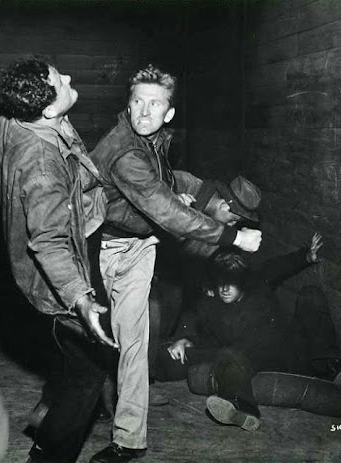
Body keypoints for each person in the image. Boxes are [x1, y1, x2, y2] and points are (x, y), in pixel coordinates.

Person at [87, 64, 262, 463]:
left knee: (134, 343)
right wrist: (234, 236)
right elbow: (162, 208)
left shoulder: (153, 140)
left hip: (138, 247)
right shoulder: (123, 150)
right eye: (138, 102)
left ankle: (128, 441)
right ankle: (60, 412)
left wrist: (177, 193)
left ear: (169, 113)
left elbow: (164, 187)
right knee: (90, 343)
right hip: (101, 249)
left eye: (155, 104)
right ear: (128, 104)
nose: (144, 111)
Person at [0, 57, 118, 463]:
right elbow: (49, 243)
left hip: (69, 243)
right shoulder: (41, 166)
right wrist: (80, 299)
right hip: (55, 276)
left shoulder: (11, 120)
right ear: (49, 109)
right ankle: (47, 455)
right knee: (90, 369)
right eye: (60, 79)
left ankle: (46, 409)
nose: (69, 76)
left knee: (74, 358)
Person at [161, 233, 341, 430]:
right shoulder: (216, 306)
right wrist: (187, 340)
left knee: (311, 296)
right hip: (252, 359)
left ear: (242, 281)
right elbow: (210, 336)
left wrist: (306, 256)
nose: (224, 289)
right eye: (220, 282)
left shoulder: (257, 284)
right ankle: (241, 410)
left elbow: (278, 266)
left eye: (231, 282)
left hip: (284, 350)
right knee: (228, 357)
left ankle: (330, 371)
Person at [148, 175, 262, 387]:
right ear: (224, 206)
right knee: (149, 319)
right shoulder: (182, 183)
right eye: (234, 220)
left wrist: (205, 281)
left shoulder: (218, 230)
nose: (233, 225)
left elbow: (194, 259)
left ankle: (148, 375)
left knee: (166, 317)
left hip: (168, 274)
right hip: (136, 260)